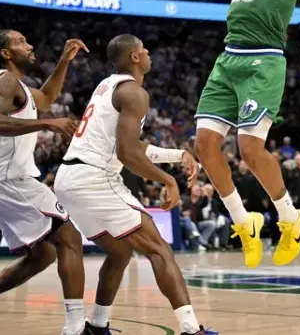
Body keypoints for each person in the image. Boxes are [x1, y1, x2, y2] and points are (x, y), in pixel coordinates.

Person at [54, 34, 215, 335]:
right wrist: (168, 180)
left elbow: (128, 145)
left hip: (69, 179)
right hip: (94, 178)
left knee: (120, 252)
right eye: (144, 49)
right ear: (135, 58)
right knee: (159, 250)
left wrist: (177, 155)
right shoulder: (134, 93)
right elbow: (126, 154)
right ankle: (192, 330)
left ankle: (97, 326)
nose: (149, 52)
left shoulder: (108, 86)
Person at [191, 0, 300, 268]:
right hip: (230, 58)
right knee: (206, 146)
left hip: (264, 60)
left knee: (248, 148)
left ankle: (291, 219)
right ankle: (245, 222)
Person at [0, 30, 87, 335]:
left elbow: (47, 98)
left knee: (45, 254)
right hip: (11, 180)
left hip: (6, 180)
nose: (30, 44)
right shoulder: (4, 80)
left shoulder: (19, 86)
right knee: (70, 239)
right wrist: (47, 123)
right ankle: (75, 327)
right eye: (21, 42)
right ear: (6, 53)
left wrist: (64, 61)